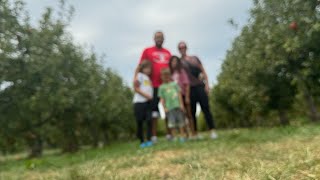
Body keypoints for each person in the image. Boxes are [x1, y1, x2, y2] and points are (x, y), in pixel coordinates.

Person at [133, 31, 172, 143]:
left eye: (161, 37)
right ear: (154, 39)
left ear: (164, 39)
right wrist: (135, 77)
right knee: (154, 111)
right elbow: (140, 65)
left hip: (166, 85)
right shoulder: (147, 51)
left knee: (168, 108)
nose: (159, 39)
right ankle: (153, 136)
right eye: (157, 37)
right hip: (153, 86)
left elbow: (170, 69)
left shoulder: (167, 52)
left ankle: (169, 134)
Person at [178, 41, 218, 139]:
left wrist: (207, 84)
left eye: (184, 47)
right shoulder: (179, 62)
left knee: (206, 108)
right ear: (179, 50)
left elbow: (203, 71)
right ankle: (195, 133)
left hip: (200, 86)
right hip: (189, 89)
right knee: (192, 112)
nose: (182, 48)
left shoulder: (194, 58)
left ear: (186, 48)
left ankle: (212, 130)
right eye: (180, 47)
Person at [168, 56, 196, 138]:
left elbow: (187, 84)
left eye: (176, 61)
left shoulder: (181, 72)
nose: (174, 63)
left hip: (183, 95)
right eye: (172, 61)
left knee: (189, 114)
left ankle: (193, 133)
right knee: (181, 116)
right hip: (174, 98)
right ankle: (185, 134)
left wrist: (187, 97)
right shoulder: (170, 74)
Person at [158, 68, 186, 142]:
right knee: (171, 123)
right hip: (169, 108)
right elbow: (162, 99)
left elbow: (179, 94)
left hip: (177, 106)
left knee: (181, 121)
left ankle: (182, 136)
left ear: (170, 76)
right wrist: (164, 108)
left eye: (167, 75)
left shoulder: (174, 84)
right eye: (164, 76)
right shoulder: (161, 87)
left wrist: (182, 104)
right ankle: (174, 137)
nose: (166, 77)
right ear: (161, 77)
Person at [133, 60, 153, 148]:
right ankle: (142, 141)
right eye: (147, 68)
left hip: (147, 103)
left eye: (150, 68)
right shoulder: (140, 76)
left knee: (149, 121)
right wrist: (147, 96)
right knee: (140, 122)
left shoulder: (148, 78)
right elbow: (136, 88)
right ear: (143, 68)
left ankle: (149, 140)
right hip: (139, 103)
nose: (149, 70)